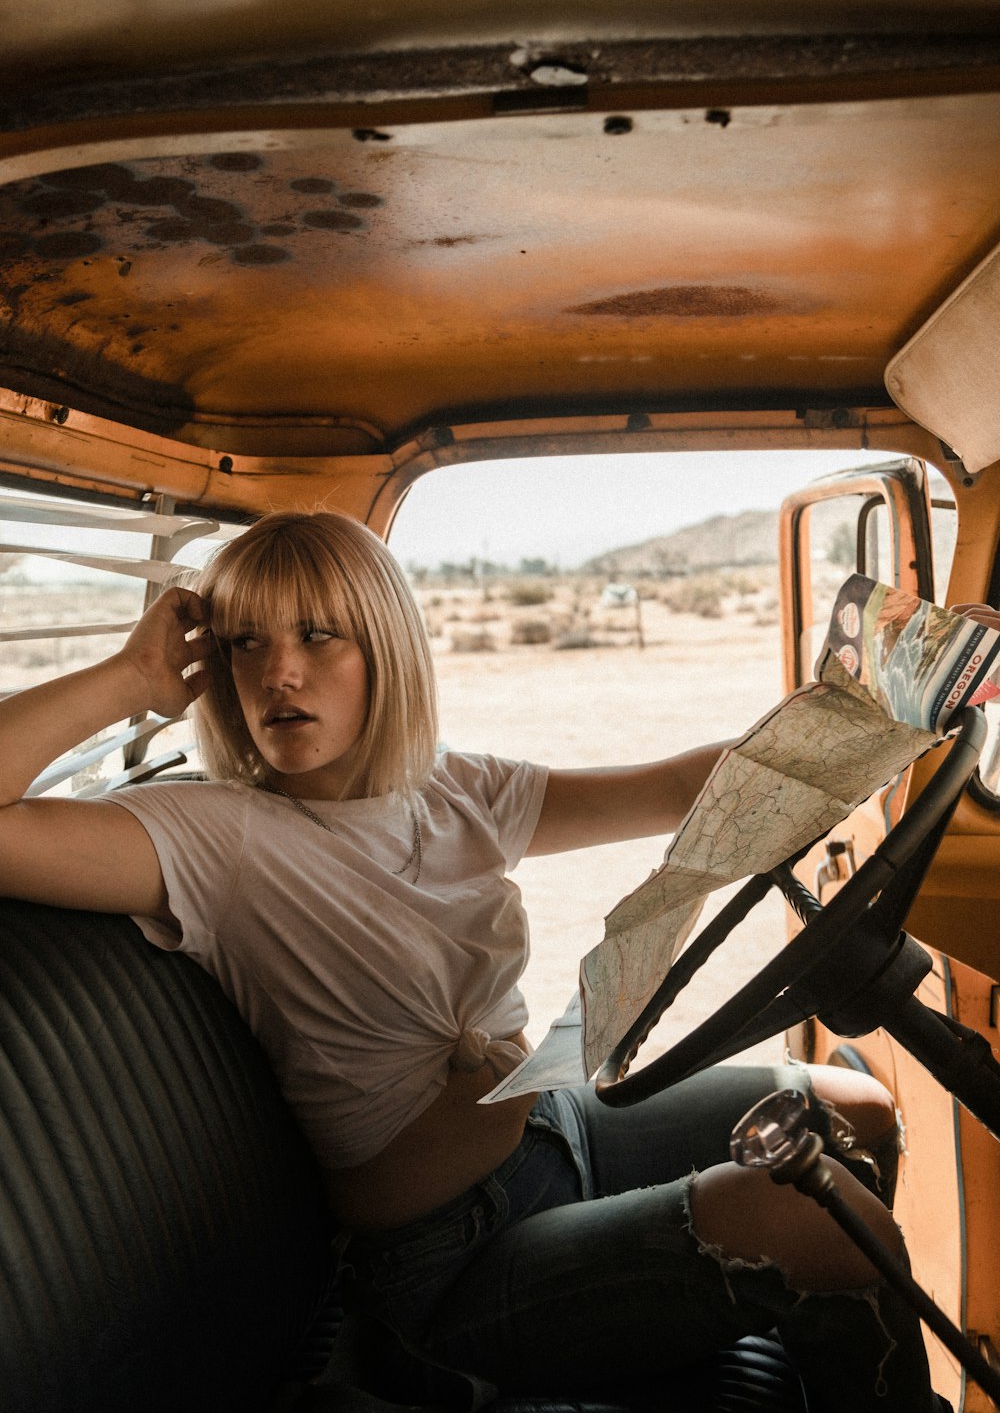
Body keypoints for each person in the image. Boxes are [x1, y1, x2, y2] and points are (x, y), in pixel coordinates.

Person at [0, 508, 967, 1413]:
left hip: (553, 1135)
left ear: (386, 650)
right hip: (448, 1266)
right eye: (245, 643)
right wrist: (131, 679)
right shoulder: (211, 838)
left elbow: (679, 785)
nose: (277, 674)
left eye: (317, 636)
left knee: (857, 1115)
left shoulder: (454, 790)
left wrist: (884, 708)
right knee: (815, 1220)